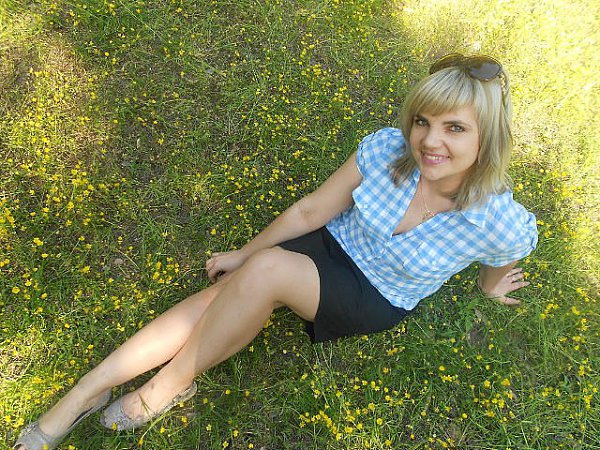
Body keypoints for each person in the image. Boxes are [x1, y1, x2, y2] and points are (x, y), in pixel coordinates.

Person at [13, 53, 538, 449]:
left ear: (488, 138)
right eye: (423, 121)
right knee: (223, 292)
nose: (429, 141)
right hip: (329, 244)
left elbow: (505, 256)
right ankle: (87, 390)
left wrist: (492, 287)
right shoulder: (387, 149)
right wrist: (243, 254)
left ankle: (168, 386)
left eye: (454, 128)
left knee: (265, 272)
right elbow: (311, 212)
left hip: (375, 294)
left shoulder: (498, 219)